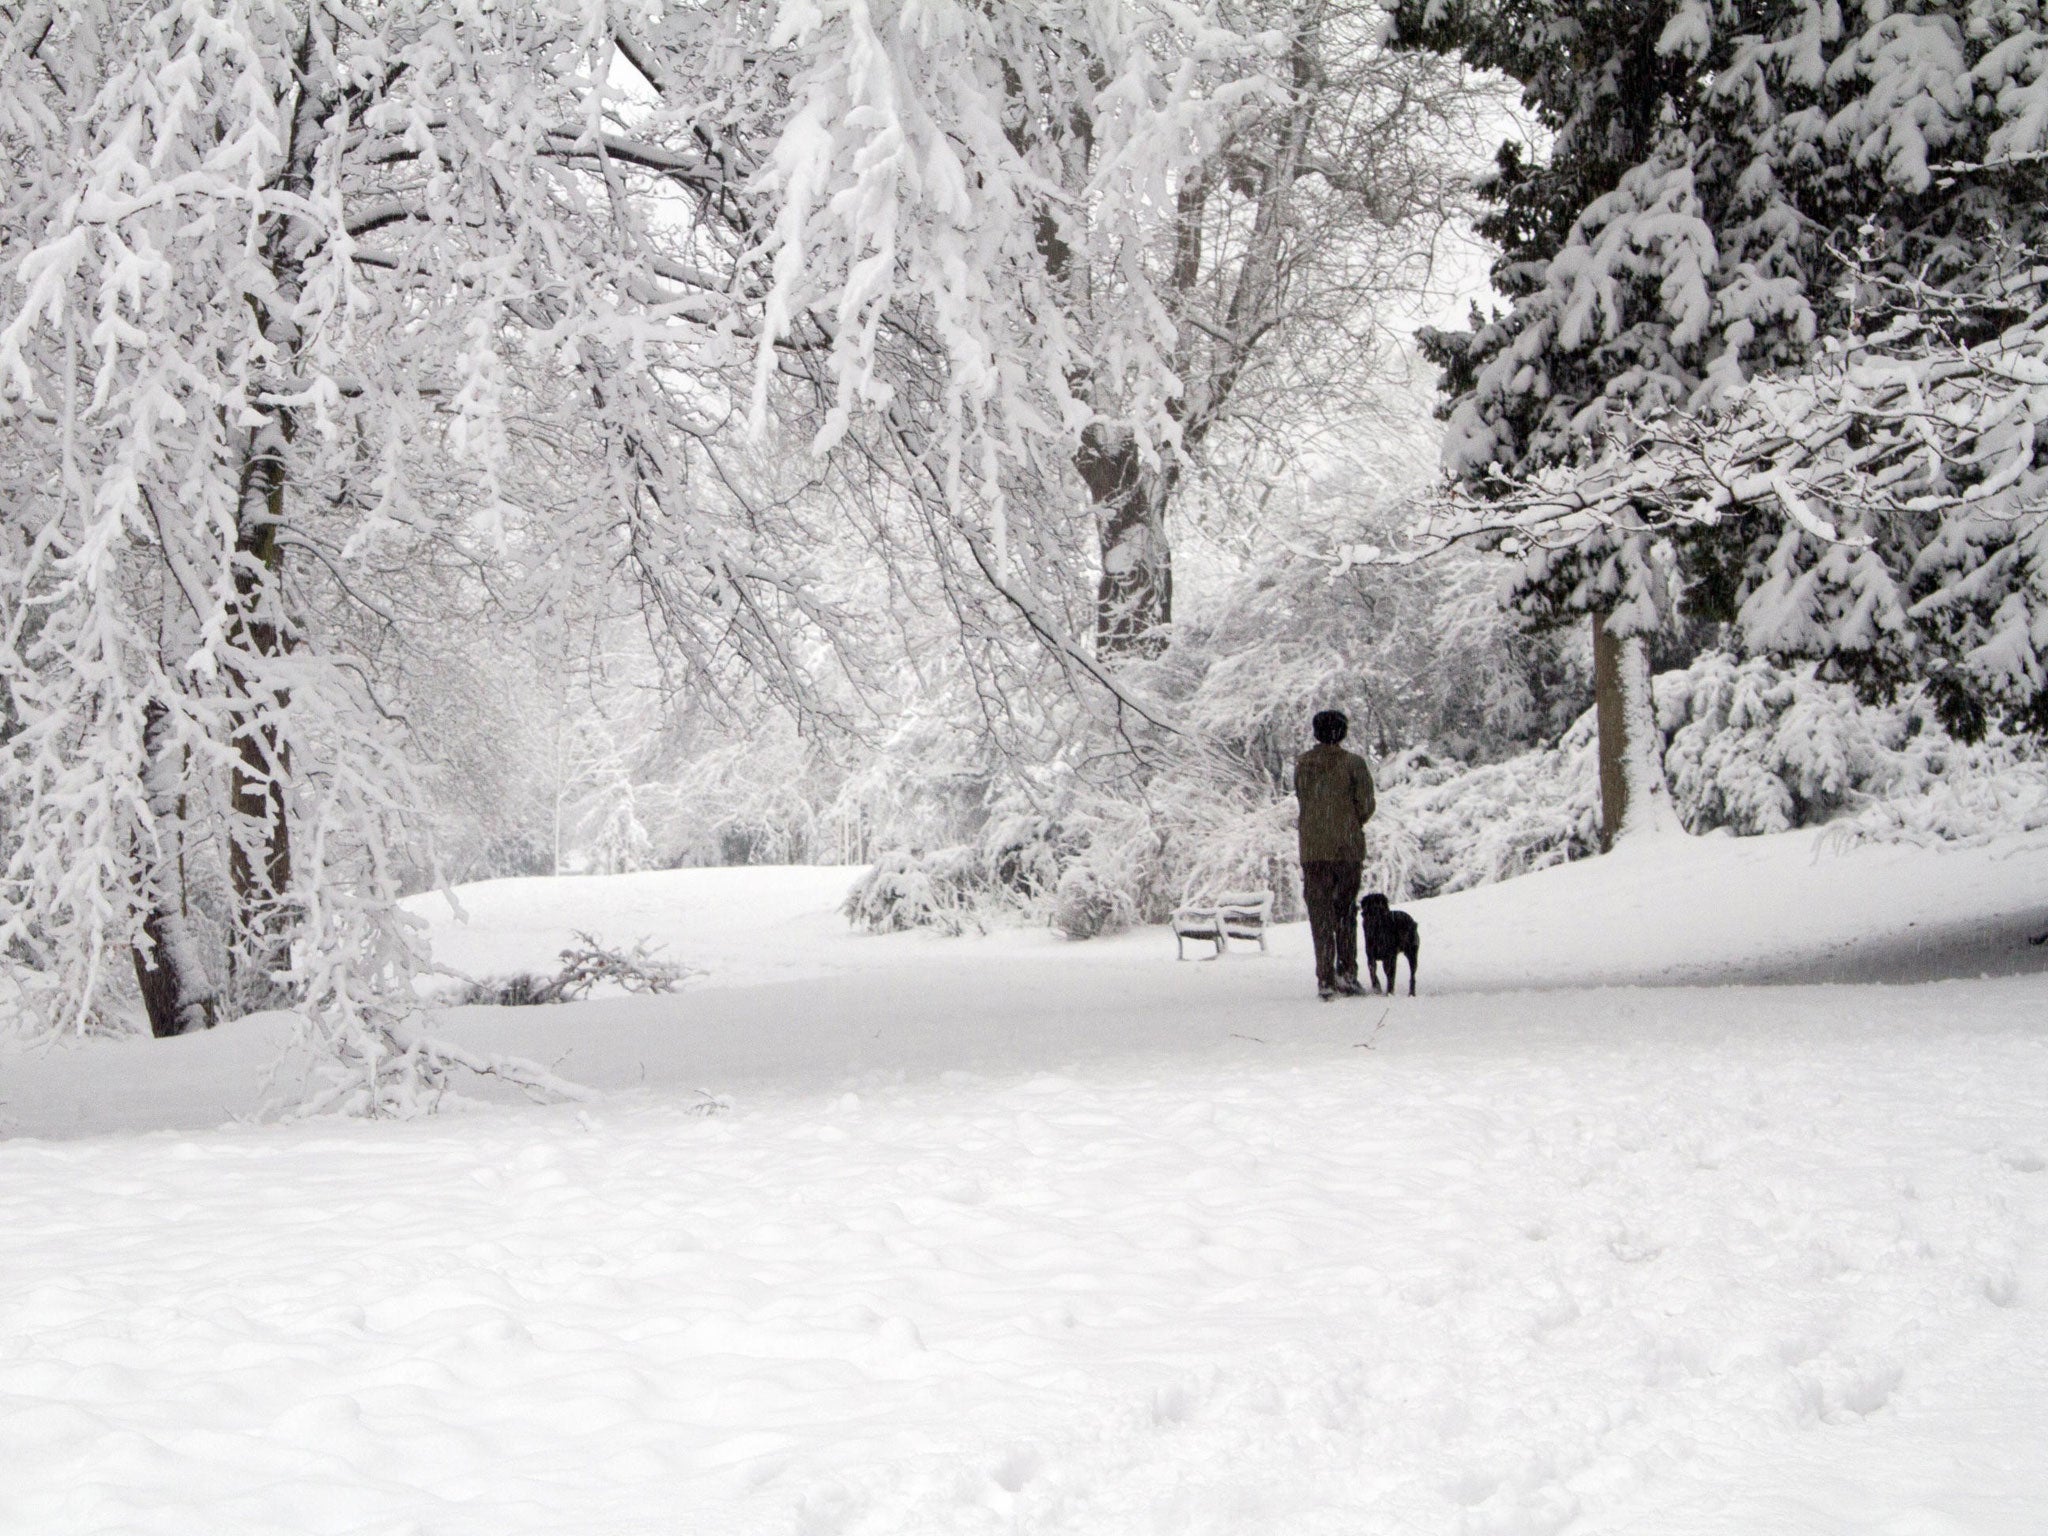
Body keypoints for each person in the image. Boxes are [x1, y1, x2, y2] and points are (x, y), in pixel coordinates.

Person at [1294, 709, 1376, 1000]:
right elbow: (1366, 804)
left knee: (1320, 915)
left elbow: (1303, 799)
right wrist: (1348, 823)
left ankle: (1325, 978)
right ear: (1342, 732)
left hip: (1314, 851)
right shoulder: (1353, 764)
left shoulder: (1303, 764)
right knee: (1345, 911)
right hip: (1346, 851)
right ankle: (1347, 973)